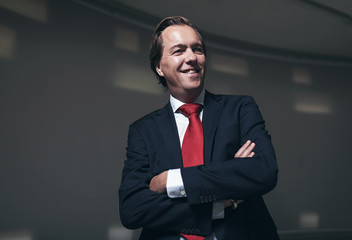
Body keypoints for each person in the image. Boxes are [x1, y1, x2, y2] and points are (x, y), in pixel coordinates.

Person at [119, 16, 279, 240]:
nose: (191, 57)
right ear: (159, 67)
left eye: (197, 49)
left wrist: (173, 180)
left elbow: (264, 171)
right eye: (178, 51)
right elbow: (133, 209)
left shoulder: (241, 108)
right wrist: (220, 204)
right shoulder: (143, 130)